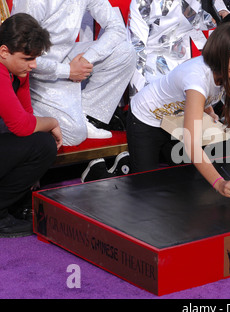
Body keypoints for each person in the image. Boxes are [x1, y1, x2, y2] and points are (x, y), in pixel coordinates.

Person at [127, 22, 230, 198]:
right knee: (145, 190)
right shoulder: (197, 78)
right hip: (145, 118)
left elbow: (202, 92)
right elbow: (191, 143)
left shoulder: (228, 72)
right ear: (218, 50)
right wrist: (219, 184)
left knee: (187, 185)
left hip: (174, 121)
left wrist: (208, 109)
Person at [11, 0, 136, 146]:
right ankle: (37, 112)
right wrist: (68, 71)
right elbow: (19, 55)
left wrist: (87, 58)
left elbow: (117, 28)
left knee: (125, 52)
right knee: (74, 135)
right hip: (34, 72)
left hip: (68, 57)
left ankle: (85, 115)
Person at [0, 13, 62, 238]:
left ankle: (13, 203)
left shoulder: (17, 71)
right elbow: (21, 125)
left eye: (35, 58)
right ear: (4, 51)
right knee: (44, 143)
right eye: (27, 58)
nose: (34, 65)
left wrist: (31, 172)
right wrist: (52, 122)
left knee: (40, 144)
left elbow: (27, 116)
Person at [127, 0, 230, 96]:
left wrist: (221, 11)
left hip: (181, 62)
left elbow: (204, 19)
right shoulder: (143, 3)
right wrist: (138, 94)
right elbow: (136, 48)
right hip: (152, 66)